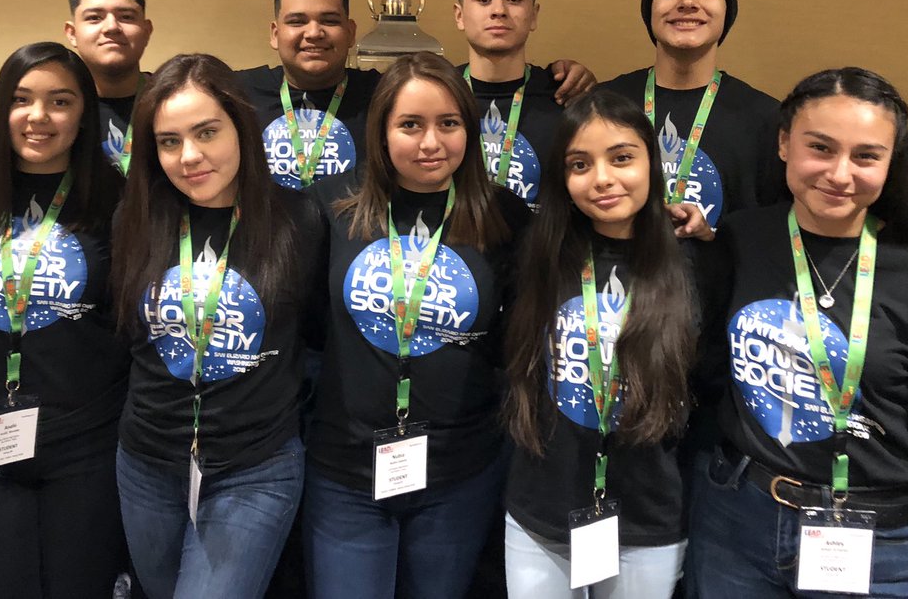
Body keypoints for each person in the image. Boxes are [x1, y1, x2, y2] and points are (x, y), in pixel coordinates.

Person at [686, 68, 908, 597]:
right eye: (820, 147)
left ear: (892, 164)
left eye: (866, 156)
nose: (840, 174)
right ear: (783, 143)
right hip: (736, 522)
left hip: (880, 545)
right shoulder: (741, 239)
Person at [303, 52, 531, 598]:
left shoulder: (505, 215)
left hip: (459, 470)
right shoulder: (331, 204)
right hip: (346, 470)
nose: (431, 143)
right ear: (381, 131)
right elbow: (310, 325)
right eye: (411, 125)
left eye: (448, 124)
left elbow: (517, 338)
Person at [111, 53, 324, 599]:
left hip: (254, 466)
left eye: (207, 132)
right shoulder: (136, 218)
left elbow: (317, 337)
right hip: (148, 462)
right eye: (169, 141)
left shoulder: (298, 220)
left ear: (241, 129)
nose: (190, 157)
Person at [0, 42, 128, 597]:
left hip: (85, 438)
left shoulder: (120, 202)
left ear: (84, 114)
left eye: (60, 101)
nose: (38, 117)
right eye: (21, 99)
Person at [502, 90, 697, 598]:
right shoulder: (537, 255)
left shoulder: (697, 263)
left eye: (623, 158)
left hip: (646, 516)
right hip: (540, 510)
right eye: (580, 164)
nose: (603, 178)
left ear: (653, 163)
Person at [242, 0, 597, 189]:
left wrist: (568, 73)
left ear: (351, 33)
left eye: (330, 21)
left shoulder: (383, 93)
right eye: (297, 21)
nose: (314, 32)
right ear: (275, 33)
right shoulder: (236, 93)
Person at [601, 0, 783, 232]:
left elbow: (768, 233)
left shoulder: (766, 117)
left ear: (727, 11)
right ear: (649, 8)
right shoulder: (604, 104)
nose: (688, 2)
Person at [452, 0, 597, 208]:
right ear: (460, 16)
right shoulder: (439, 93)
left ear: (533, 16)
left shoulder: (564, 96)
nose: (499, 10)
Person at [65, 0, 154, 174]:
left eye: (126, 17)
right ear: (72, 33)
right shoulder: (58, 108)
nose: (112, 27)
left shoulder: (171, 100)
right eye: (95, 18)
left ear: (147, 31)